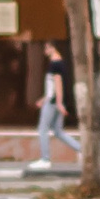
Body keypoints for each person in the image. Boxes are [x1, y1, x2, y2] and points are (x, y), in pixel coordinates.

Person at [32, 41, 81, 171]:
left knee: (42, 129)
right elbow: (51, 87)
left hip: (53, 102)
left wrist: (58, 102)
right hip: (53, 100)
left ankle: (45, 159)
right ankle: (82, 150)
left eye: (47, 47)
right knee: (58, 131)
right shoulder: (60, 63)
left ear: (53, 48)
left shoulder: (55, 64)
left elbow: (58, 84)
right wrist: (43, 99)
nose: (45, 51)